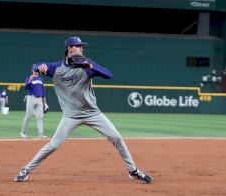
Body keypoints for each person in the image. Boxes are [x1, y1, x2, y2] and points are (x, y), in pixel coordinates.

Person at [14, 36, 152, 184]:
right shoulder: (56, 68)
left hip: (92, 113)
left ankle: (132, 170)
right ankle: (26, 170)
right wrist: (39, 68)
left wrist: (92, 67)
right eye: (79, 46)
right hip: (71, 116)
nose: (82, 48)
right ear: (69, 49)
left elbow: (108, 75)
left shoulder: (87, 65)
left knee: (117, 138)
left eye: (81, 46)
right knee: (53, 145)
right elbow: (35, 65)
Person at [19, 65, 48, 139]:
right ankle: (23, 132)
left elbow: (43, 91)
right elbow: (26, 88)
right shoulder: (29, 78)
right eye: (35, 70)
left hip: (39, 99)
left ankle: (40, 134)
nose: (36, 71)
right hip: (31, 98)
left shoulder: (41, 79)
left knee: (40, 117)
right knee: (28, 116)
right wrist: (29, 81)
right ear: (32, 70)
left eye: (37, 70)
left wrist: (44, 102)